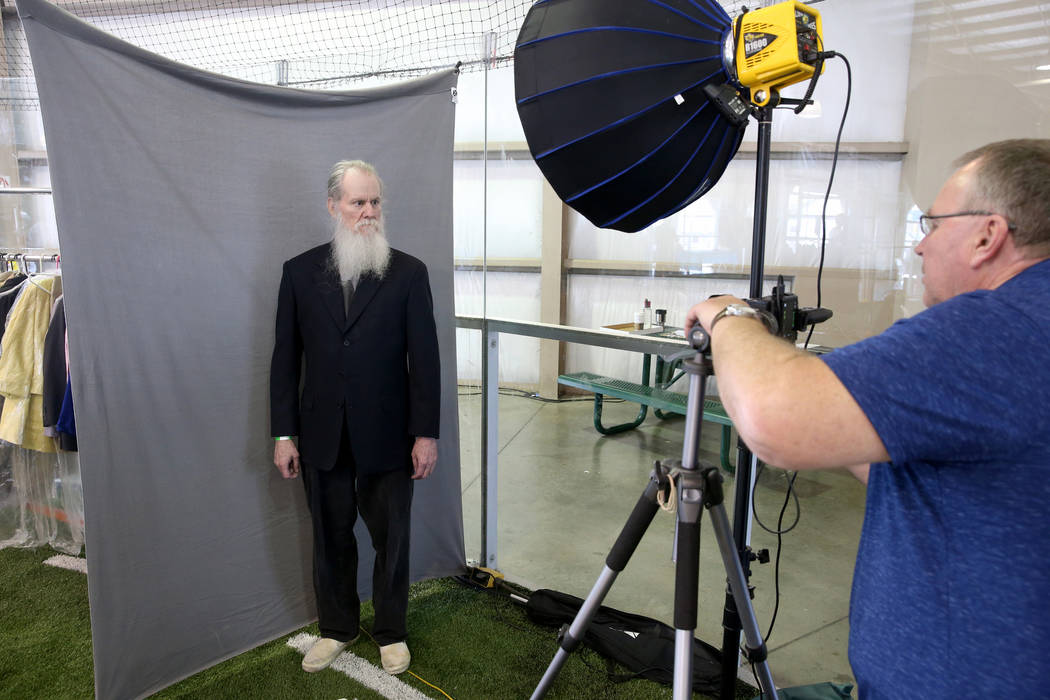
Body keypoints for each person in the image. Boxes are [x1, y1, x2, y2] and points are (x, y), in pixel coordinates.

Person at [684, 139, 1050, 697]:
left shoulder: (992, 329)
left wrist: (728, 316)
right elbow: (946, 481)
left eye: (932, 223)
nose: (922, 246)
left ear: (987, 235)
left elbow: (773, 418)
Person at [270, 160, 440, 675]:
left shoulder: (409, 273)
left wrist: (426, 433)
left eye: (375, 202)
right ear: (333, 206)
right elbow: (285, 359)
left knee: (392, 540)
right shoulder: (298, 272)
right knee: (330, 538)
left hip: (390, 435)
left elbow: (425, 361)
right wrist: (283, 434)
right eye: (357, 202)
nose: (368, 212)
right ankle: (337, 628)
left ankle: (391, 632)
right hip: (322, 435)